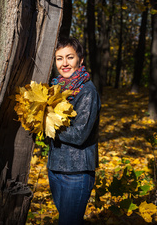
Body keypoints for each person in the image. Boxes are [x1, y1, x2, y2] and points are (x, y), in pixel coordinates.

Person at [47, 37, 101, 225]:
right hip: (55, 168)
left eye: (69, 57)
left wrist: (45, 125)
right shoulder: (56, 89)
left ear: (80, 59)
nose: (64, 63)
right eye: (59, 58)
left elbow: (79, 135)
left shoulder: (87, 91)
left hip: (77, 172)